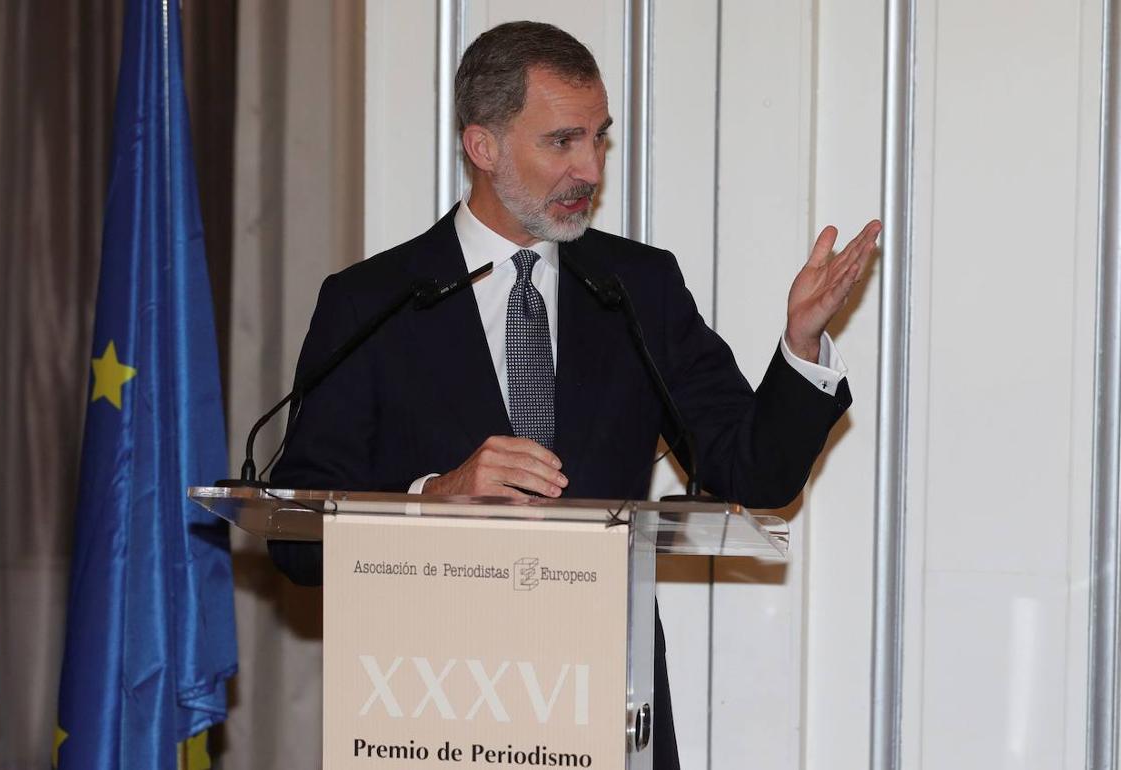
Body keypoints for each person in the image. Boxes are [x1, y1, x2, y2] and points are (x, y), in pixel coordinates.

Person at [269, 20, 878, 770]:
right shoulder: (373, 302)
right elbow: (294, 539)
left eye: (599, 138)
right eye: (563, 141)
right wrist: (433, 498)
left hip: (603, 705)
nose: (590, 168)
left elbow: (753, 474)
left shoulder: (638, 287)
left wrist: (802, 343)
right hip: (429, 706)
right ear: (483, 146)